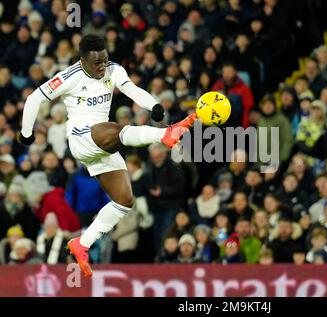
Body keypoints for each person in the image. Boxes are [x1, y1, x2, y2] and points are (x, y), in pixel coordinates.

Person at [19, 34, 197, 277]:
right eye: (96, 63)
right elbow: (34, 97)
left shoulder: (113, 70)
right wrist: (26, 133)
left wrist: (154, 105)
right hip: (82, 137)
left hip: (103, 143)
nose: (102, 66)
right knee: (115, 129)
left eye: (105, 60)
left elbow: (131, 89)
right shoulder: (70, 76)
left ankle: (82, 243)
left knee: (124, 201)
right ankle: (165, 134)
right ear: (82, 60)